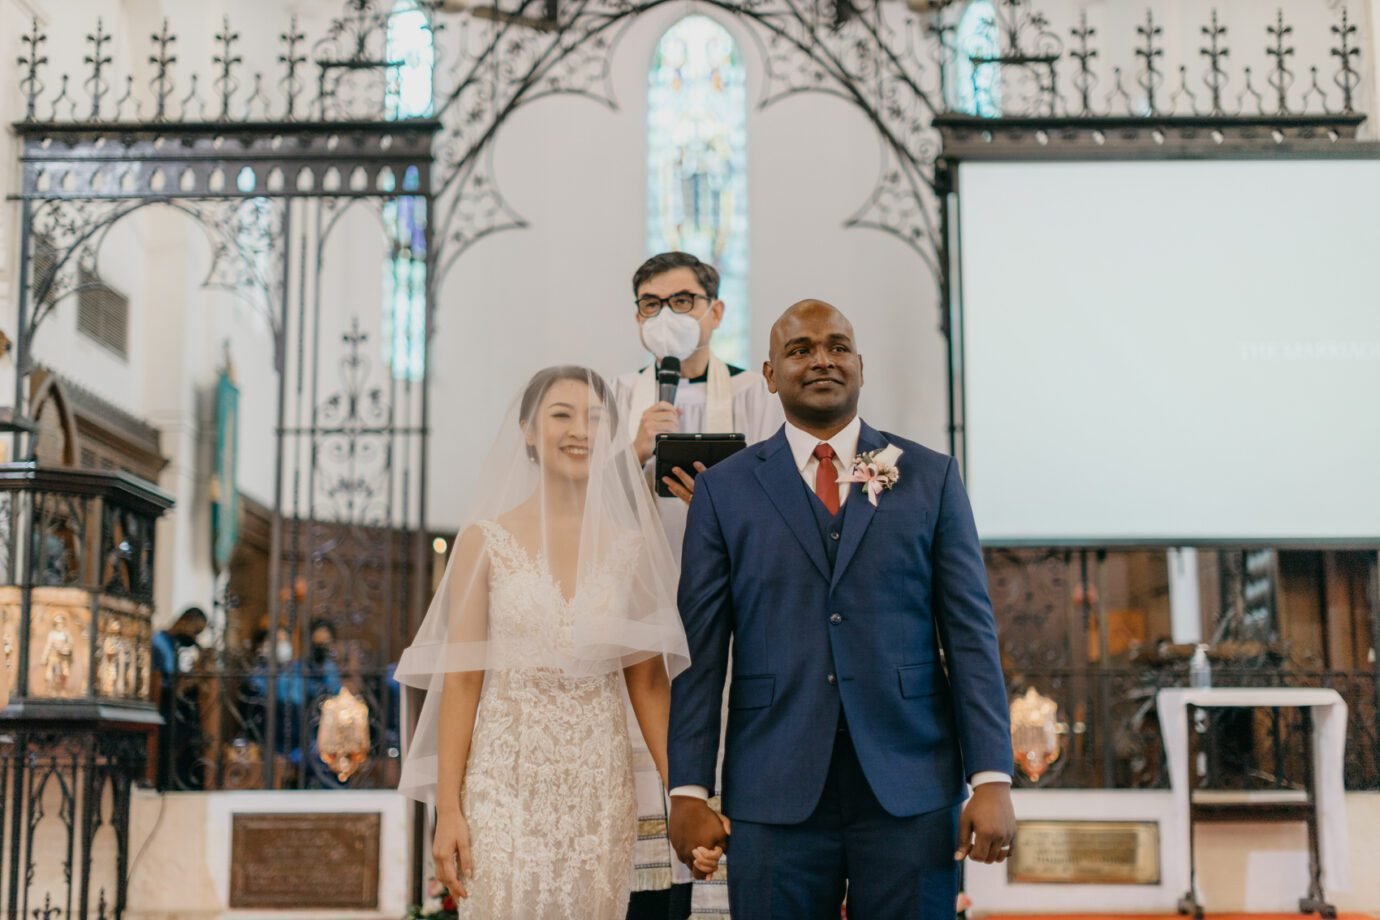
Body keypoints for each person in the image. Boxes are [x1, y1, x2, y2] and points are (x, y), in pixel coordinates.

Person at [668, 301, 1017, 917]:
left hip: (910, 783)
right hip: (772, 785)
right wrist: (690, 789)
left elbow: (969, 635)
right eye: (800, 350)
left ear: (860, 365)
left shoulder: (929, 477)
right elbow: (701, 649)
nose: (822, 359)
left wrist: (991, 776)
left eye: (837, 346)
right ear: (771, 375)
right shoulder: (725, 490)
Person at [395, 366, 703, 919]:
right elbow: (462, 682)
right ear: (528, 431)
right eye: (561, 415)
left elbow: (650, 686)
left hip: (597, 786)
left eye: (595, 418)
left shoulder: (630, 547)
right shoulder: (484, 541)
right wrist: (449, 808)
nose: (579, 430)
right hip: (502, 780)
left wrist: (685, 793)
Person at [614, 252, 782, 919]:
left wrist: (721, 501)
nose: (667, 316)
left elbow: (783, 502)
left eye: (682, 301)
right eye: (651, 304)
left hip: (736, 618)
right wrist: (633, 456)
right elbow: (581, 514)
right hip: (639, 625)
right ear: (636, 320)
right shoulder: (618, 397)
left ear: (715, 312)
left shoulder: (756, 394)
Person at [152, 606, 209, 788]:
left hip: (178, 705)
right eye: (195, 630)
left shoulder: (178, 646)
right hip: (163, 705)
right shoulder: (159, 642)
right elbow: (161, 677)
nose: (195, 637)